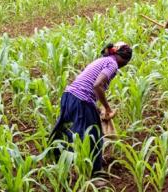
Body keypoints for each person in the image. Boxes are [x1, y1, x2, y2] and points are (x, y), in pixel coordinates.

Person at [49, 42, 133, 174]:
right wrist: (108, 108)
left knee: (68, 131)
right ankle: (95, 173)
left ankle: (60, 161)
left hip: (69, 96)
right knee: (93, 135)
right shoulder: (113, 64)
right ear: (124, 60)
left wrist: (98, 109)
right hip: (81, 100)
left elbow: (89, 85)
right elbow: (97, 85)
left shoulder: (103, 60)